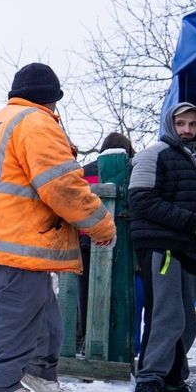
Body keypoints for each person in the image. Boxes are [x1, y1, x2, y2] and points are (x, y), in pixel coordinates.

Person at [0, 63, 115, 392]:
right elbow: (61, 186)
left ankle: (39, 374)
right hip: (16, 237)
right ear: (52, 99)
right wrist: (100, 224)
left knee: (41, 310)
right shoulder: (37, 123)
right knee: (15, 312)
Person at [128, 101, 196, 392]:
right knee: (166, 315)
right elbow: (141, 200)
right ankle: (149, 380)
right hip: (160, 246)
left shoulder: (191, 160)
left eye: (193, 124)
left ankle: (171, 380)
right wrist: (188, 221)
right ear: (170, 124)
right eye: (181, 123)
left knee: (186, 320)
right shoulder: (153, 154)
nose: (187, 130)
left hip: (184, 249)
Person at [76, 132, 136, 353]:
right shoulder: (130, 170)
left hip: (84, 237)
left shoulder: (83, 171)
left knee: (85, 293)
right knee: (117, 291)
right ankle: (114, 344)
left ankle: (85, 341)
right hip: (118, 239)